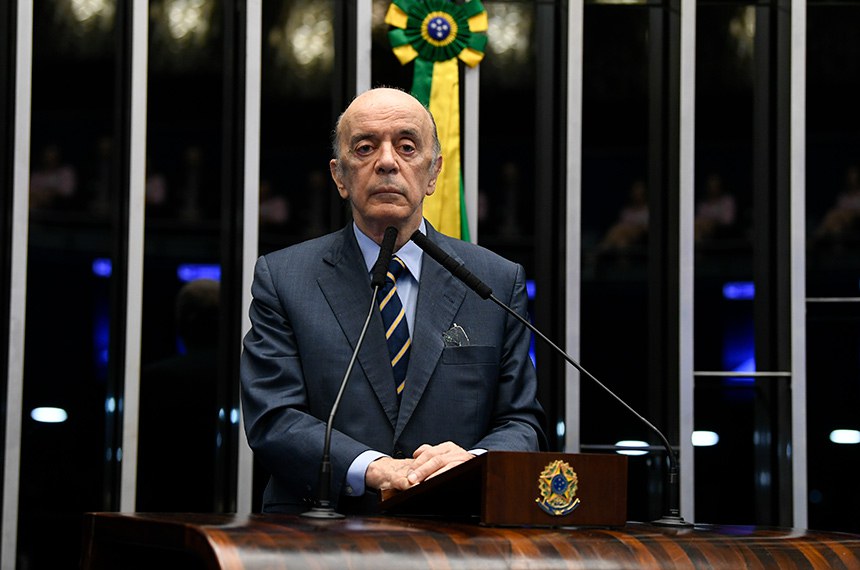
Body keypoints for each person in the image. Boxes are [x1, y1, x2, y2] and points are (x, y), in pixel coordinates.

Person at [240, 87, 546, 514]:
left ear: (434, 172)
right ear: (339, 177)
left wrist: (472, 463)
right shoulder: (284, 278)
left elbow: (521, 423)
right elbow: (273, 417)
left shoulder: (494, 281)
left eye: (407, 147)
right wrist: (373, 468)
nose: (386, 162)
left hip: (455, 530)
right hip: (320, 530)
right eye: (365, 148)